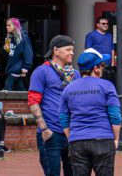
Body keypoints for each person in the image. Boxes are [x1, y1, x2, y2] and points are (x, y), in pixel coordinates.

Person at [60, 48, 121, 176]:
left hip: (77, 141)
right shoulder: (107, 86)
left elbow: (64, 119)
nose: (103, 68)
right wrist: (116, 139)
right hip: (103, 139)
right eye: (102, 65)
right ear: (96, 68)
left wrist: (71, 137)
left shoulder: (68, 88)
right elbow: (115, 116)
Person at [29, 34, 81, 176]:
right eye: (68, 49)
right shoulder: (41, 71)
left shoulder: (75, 74)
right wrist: (44, 129)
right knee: (53, 173)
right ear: (56, 50)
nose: (72, 52)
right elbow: (33, 101)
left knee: (74, 172)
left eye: (72, 49)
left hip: (72, 133)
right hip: (51, 132)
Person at [4, 17, 34, 91]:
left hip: (16, 68)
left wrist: (26, 67)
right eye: (6, 25)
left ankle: (2, 102)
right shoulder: (10, 37)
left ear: (15, 26)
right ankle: (28, 101)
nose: (7, 27)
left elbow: (28, 52)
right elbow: (10, 53)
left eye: (9, 25)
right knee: (20, 88)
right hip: (12, 66)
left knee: (7, 88)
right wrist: (5, 49)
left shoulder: (23, 37)